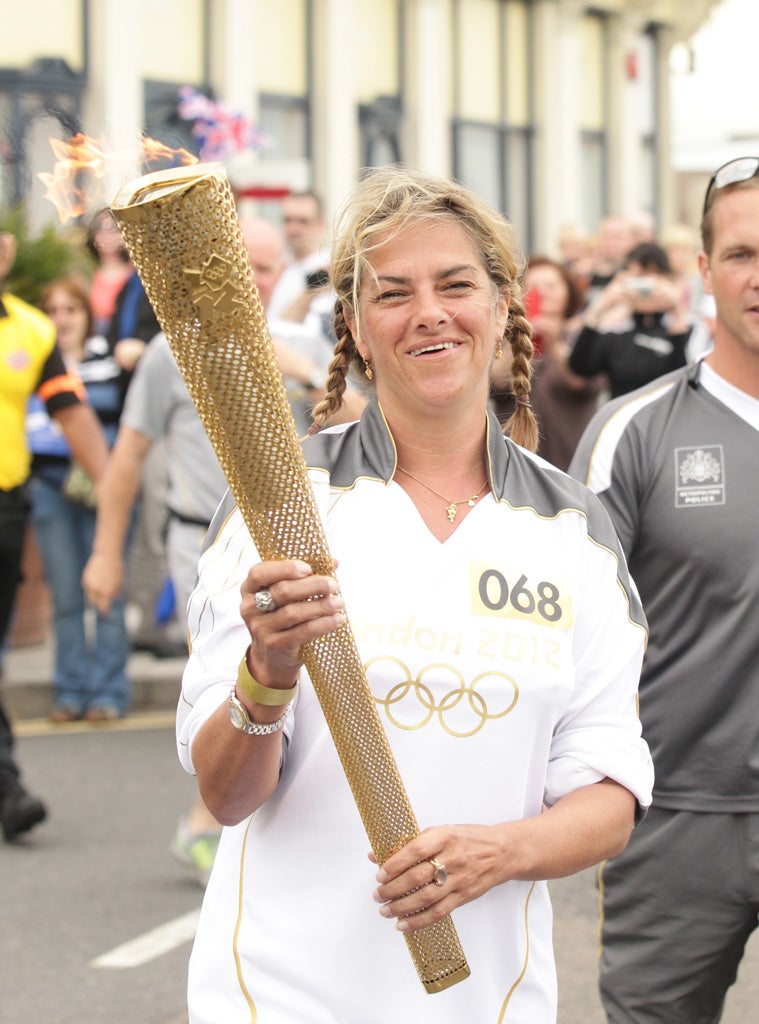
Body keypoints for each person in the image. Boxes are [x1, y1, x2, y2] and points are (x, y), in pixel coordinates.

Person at [177, 167, 653, 1022]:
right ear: (356, 328)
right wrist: (269, 667)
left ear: (505, 304)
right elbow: (225, 796)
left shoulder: (572, 530)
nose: (428, 312)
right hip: (279, 998)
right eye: (391, 293)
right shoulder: (277, 510)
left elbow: (608, 796)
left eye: (455, 283)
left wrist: (501, 852)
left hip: (485, 1001)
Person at [83, 216, 363, 886]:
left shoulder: (308, 346)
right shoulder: (169, 352)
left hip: (298, 549)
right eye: (244, 265)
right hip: (201, 548)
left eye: (267, 268)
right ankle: (213, 817)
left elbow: (373, 431)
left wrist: (299, 373)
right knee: (228, 678)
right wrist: (105, 553)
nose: (255, 280)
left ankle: (251, 819)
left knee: (307, 687)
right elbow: (126, 458)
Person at [569, 156, 759, 1023]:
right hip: (675, 815)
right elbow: (569, 630)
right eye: (741, 253)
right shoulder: (633, 432)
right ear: (704, 271)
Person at [0, 231, 109, 841]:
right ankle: (8, 788)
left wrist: (110, 493)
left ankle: (6, 788)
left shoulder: (33, 330)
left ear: (7, 252)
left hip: (6, 511)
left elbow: (71, 412)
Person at [27, 275, 130, 721]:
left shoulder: (109, 364)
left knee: (108, 592)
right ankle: (68, 692)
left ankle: (109, 692)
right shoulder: (30, 361)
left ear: (87, 317)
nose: (61, 320)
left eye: (70, 310)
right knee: (66, 595)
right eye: (52, 311)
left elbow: (124, 427)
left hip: (102, 490)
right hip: (49, 487)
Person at [491, 255, 604, 472]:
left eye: (551, 286)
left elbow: (580, 382)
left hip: (571, 465)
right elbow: (496, 382)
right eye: (533, 287)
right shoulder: (503, 339)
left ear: (568, 291)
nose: (543, 293)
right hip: (514, 468)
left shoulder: (583, 337)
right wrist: (522, 336)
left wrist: (552, 341)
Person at [568, 241, 692, 399]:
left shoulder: (682, 327)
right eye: (639, 278)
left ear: (667, 280)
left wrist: (677, 312)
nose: (646, 289)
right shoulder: (615, 330)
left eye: (654, 278)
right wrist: (602, 304)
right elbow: (580, 368)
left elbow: (688, 381)